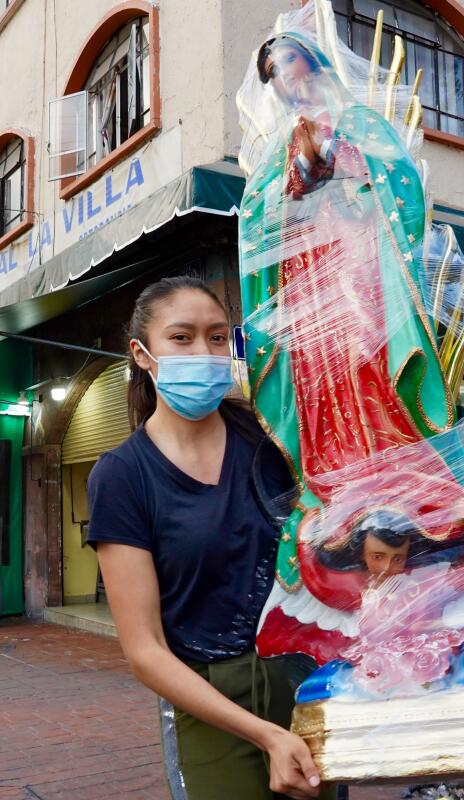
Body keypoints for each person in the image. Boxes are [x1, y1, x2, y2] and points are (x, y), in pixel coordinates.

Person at [87, 276, 330, 800]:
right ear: (142, 354)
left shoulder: (273, 442)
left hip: (310, 684)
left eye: (218, 337)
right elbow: (145, 652)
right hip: (210, 702)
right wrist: (267, 735)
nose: (205, 350)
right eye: (182, 337)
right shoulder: (122, 476)